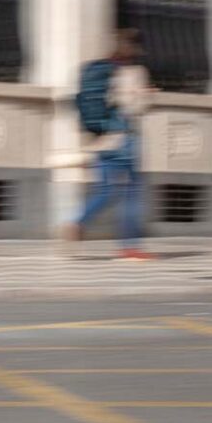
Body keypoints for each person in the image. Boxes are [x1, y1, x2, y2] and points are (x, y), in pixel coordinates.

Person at [59, 29, 154, 259]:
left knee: (105, 190)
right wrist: (147, 95)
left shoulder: (99, 70)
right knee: (132, 192)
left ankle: (76, 222)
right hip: (124, 138)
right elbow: (136, 107)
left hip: (100, 139)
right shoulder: (134, 71)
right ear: (135, 49)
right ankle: (130, 246)